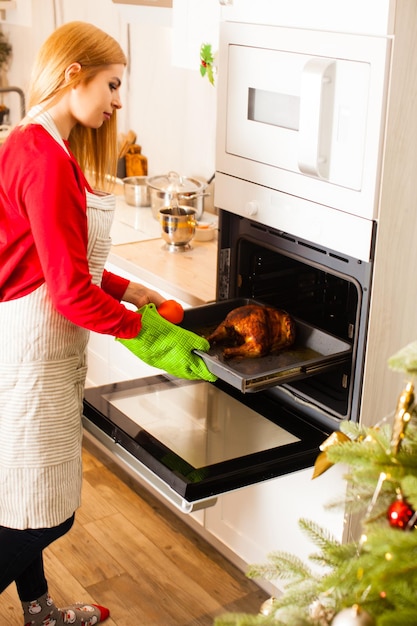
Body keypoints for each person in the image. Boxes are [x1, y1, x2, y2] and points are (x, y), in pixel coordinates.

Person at [0, 21, 216, 626]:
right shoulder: (46, 159)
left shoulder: (32, 142)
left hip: (25, 341)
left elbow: (58, 257)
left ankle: (38, 612)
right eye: (112, 85)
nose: (118, 101)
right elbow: (68, 293)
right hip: (35, 353)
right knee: (43, 513)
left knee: (18, 499)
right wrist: (148, 332)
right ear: (75, 75)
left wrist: (129, 288)